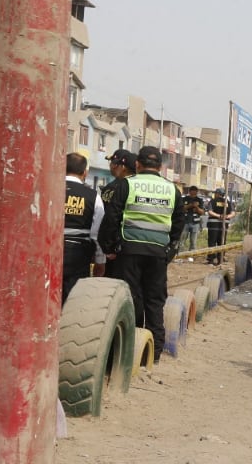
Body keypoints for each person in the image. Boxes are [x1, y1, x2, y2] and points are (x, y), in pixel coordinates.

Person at [97, 146, 182, 364]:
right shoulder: (172, 190)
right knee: (154, 300)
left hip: (130, 251)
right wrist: (168, 252)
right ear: (161, 166)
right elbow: (178, 226)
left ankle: (128, 351)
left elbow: (111, 219)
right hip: (157, 252)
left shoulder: (127, 185)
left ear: (137, 164)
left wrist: (108, 248)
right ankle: (153, 354)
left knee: (130, 297)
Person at [61, 152, 106, 305]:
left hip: (48, 249)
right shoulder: (93, 196)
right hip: (78, 254)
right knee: (73, 300)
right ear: (84, 172)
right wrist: (100, 261)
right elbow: (97, 233)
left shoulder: (50, 189)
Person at [100, 148, 138, 281]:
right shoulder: (136, 187)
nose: (110, 166)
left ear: (120, 166)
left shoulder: (120, 187)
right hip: (129, 245)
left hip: (115, 245)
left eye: (112, 163)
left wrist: (107, 246)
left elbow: (110, 218)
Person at [205, 187, 235, 266]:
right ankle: (220, 260)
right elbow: (233, 213)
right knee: (222, 242)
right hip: (223, 226)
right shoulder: (228, 202)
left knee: (212, 242)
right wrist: (226, 216)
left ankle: (211, 260)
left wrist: (219, 216)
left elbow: (210, 212)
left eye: (215, 193)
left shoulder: (213, 201)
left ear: (218, 194)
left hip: (213, 225)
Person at [181, 185, 206, 252]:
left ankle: (191, 255)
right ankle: (180, 255)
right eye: (192, 190)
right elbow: (181, 209)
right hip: (185, 222)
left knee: (193, 241)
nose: (194, 192)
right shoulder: (184, 199)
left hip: (195, 223)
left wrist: (197, 208)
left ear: (197, 191)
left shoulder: (199, 200)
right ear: (189, 191)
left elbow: (202, 212)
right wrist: (190, 206)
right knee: (181, 240)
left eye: (195, 190)